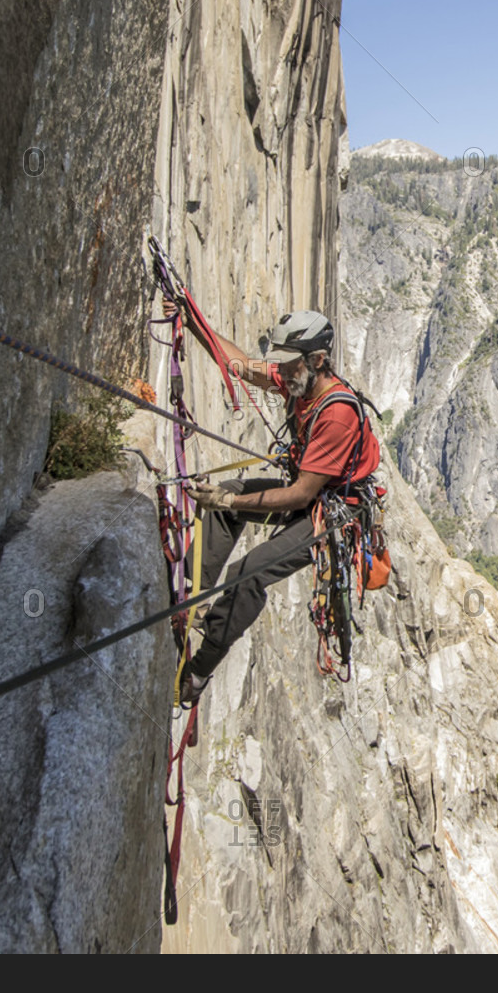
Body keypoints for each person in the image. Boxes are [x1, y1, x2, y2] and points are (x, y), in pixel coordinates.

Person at [162, 297, 380, 705]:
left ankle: (200, 671)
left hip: (332, 511)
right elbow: (240, 365)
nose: (279, 369)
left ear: (316, 360)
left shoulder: (337, 415)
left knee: (251, 570)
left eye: (288, 362)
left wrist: (228, 502)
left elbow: (301, 494)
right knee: (230, 500)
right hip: (310, 487)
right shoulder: (297, 379)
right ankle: (191, 594)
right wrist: (194, 323)